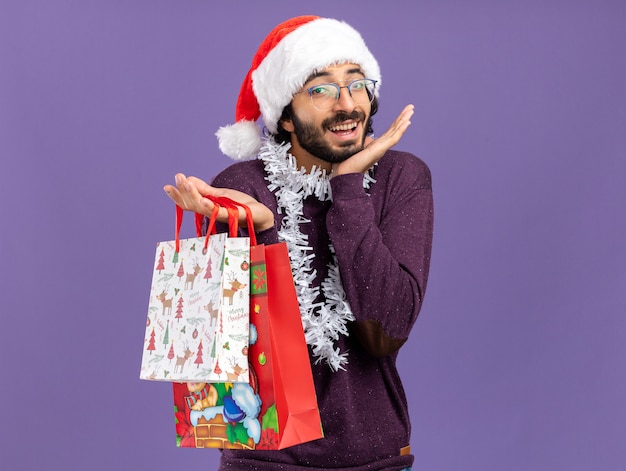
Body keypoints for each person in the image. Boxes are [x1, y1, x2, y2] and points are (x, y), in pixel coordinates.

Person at [164, 15, 433, 471]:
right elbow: (248, 352)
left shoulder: (400, 178)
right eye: (321, 89)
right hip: (265, 460)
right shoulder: (241, 188)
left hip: (377, 459)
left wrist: (347, 188)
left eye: (357, 84)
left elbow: (385, 333)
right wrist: (265, 231)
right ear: (285, 115)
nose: (347, 104)